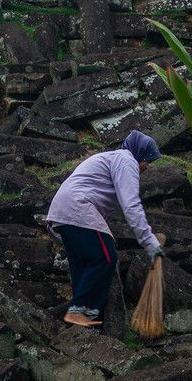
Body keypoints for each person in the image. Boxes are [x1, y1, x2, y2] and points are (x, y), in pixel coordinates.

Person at [44, 130, 166, 328]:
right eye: (148, 161)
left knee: (83, 267)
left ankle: (81, 327)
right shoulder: (126, 161)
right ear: (140, 154)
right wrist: (150, 243)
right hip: (77, 208)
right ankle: (82, 312)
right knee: (105, 257)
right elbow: (131, 205)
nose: (147, 167)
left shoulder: (110, 158)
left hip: (63, 212)